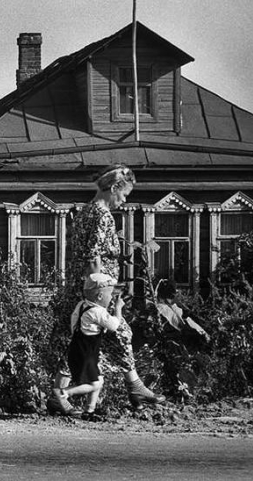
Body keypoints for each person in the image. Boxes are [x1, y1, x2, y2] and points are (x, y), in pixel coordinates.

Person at [47, 164, 165, 416]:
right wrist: (99, 293)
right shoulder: (102, 216)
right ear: (113, 188)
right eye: (123, 195)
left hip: (83, 288)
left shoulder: (84, 212)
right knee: (117, 331)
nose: (123, 202)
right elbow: (93, 257)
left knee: (80, 340)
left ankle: (62, 395)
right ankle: (134, 386)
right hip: (95, 290)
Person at [61, 272, 125, 421]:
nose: (112, 298)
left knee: (99, 380)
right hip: (86, 353)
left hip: (79, 349)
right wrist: (118, 308)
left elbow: (73, 323)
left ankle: (89, 410)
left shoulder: (82, 305)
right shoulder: (98, 312)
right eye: (110, 295)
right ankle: (65, 392)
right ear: (100, 297)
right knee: (94, 384)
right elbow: (114, 325)